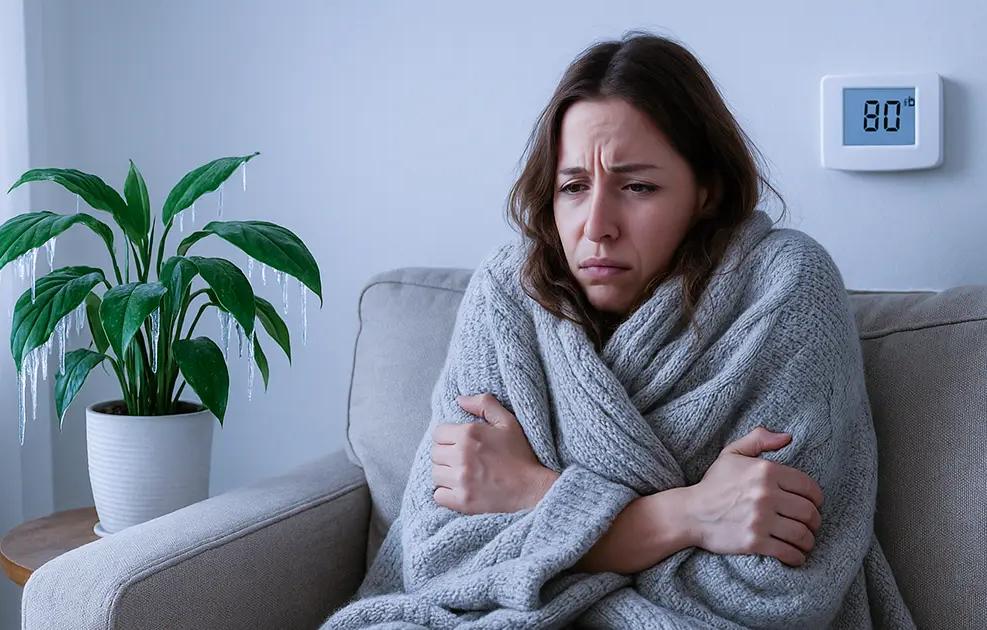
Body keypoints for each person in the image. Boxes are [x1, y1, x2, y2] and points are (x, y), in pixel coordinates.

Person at [325, 32, 915, 629]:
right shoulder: (508, 293)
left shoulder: (784, 290)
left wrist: (532, 496)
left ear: (705, 191)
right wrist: (690, 514)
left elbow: (774, 593)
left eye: (638, 186)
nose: (597, 226)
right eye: (574, 187)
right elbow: (442, 562)